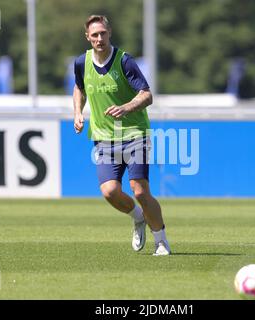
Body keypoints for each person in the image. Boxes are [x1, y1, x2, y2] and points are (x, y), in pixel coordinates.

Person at [73, 15, 171, 256]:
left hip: (134, 134)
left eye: (102, 34)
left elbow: (147, 95)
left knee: (139, 190)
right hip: (104, 138)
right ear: (87, 37)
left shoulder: (124, 61)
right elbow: (79, 88)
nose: (99, 39)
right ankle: (138, 218)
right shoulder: (81, 63)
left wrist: (126, 107)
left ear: (110, 33)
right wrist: (77, 112)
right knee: (109, 191)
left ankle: (161, 242)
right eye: (94, 35)